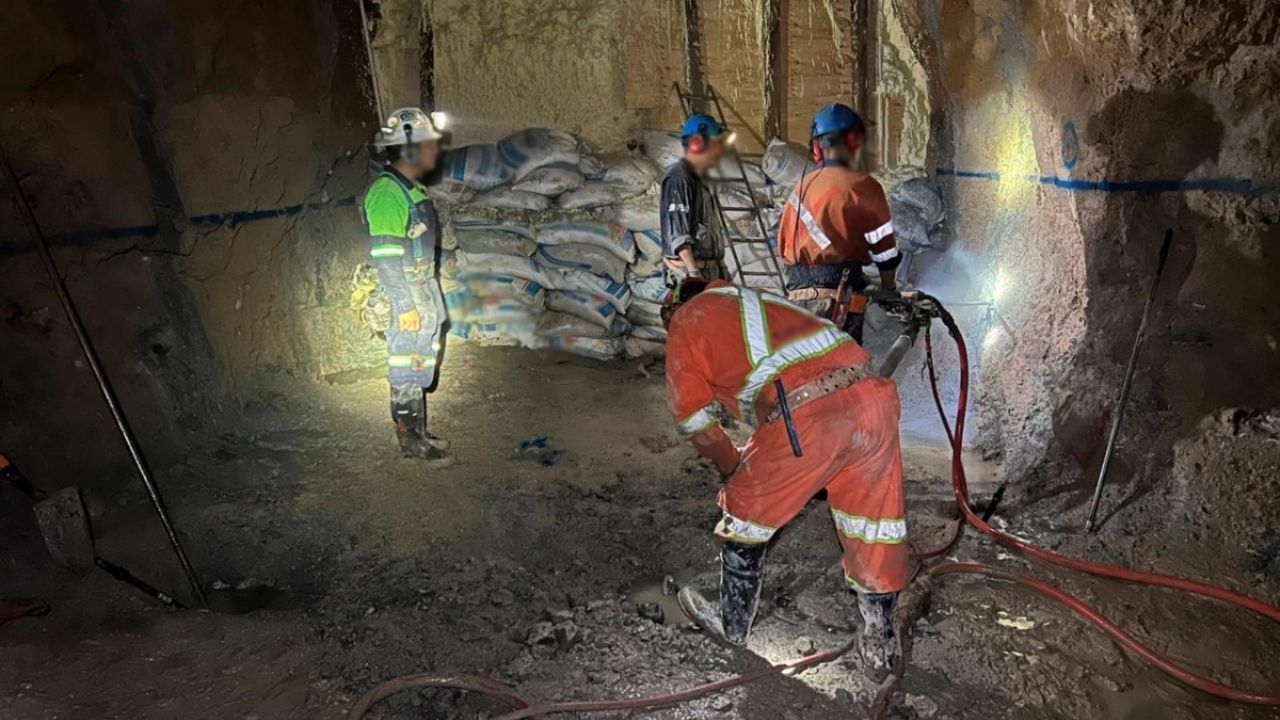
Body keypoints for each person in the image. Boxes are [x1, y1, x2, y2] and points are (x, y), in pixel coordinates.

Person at [663, 276, 909, 678]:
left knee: (744, 514)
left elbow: (692, 419)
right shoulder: (754, 301)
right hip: (874, 400)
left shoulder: (686, 319)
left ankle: (732, 626)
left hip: (810, 414)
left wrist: (730, 465)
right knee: (873, 525)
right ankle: (880, 642)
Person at [362, 107, 451, 461]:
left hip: (421, 284)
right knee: (404, 361)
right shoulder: (387, 192)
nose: (435, 151)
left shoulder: (412, 189)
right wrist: (404, 305)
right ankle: (409, 436)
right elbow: (385, 257)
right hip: (405, 290)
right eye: (429, 144)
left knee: (419, 358)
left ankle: (419, 429)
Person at [777, 103, 902, 343]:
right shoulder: (863, 186)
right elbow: (885, 251)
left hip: (795, 298)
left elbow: (787, 245)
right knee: (843, 364)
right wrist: (888, 288)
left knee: (801, 363)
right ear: (855, 143)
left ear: (817, 147)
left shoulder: (801, 187)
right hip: (838, 299)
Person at [659, 114, 731, 286]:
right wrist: (694, 276)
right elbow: (679, 237)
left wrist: (723, 272)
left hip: (709, 272)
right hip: (690, 275)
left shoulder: (700, 179)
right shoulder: (679, 178)